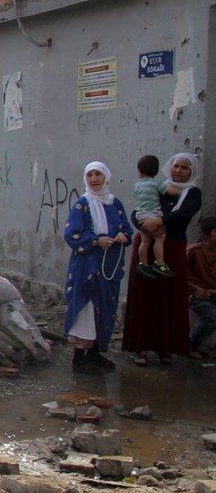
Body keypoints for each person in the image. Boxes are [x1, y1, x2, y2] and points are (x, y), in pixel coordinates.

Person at [123, 153, 203, 365]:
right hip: (147, 246)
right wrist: (142, 225)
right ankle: (139, 346)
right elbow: (137, 209)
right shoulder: (156, 185)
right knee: (144, 295)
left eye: (185, 168)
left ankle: (165, 348)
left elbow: (184, 214)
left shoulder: (192, 193)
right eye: (176, 165)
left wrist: (158, 221)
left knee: (169, 296)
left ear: (191, 171)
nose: (179, 170)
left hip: (173, 248)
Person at [62, 162, 133, 374]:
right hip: (87, 266)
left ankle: (95, 354)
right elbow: (71, 234)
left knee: (105, 307)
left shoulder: (115, 204)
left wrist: (123, 236)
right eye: (90, 175)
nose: (94, 179)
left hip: (109, 267)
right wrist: (95, 241)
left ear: (106, 177)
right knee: (85, 307)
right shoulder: (82, 204)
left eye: (98, 175)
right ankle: (79, 358)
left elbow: (128, 231)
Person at [132, 155, 179, 279]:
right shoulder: (157, 183)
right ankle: (159, 263)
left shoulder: (136, 185)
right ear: (156, 171)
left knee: (145, 241)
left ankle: (143, 263)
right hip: (153, 215)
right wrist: (178, 189)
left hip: (140, 215)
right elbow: (173, 192)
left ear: (139, 171)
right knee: (159, 238)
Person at [189, 217, 216, 358]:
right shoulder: (196, 252)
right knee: (212, 317)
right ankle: (192, 345)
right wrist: (195, 289)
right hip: (199, 296)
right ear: (207, 234)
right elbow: (181, 277)